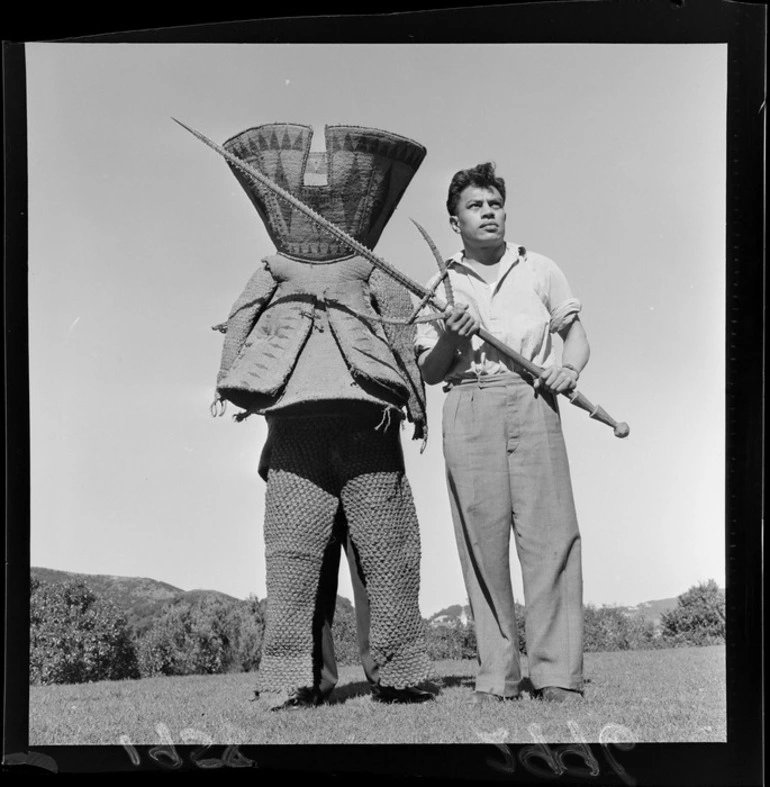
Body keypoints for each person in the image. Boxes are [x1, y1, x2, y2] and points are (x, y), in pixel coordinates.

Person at [211, 122, 436, 710]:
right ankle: (293, 677)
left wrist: (414, 398)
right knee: (292, 558)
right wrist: (230, 380)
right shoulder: (273, 266)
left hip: (368, 418)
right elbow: (240, 321)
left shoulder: (368, 265)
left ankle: (401, 670)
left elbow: (402, 326)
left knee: (386, 550)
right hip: (296, 428)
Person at [415, 162, 588, 704]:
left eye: (494, 204)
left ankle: (557, 674)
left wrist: (568, 370)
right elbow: (430, 369)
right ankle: (498, 676)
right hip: (468, 405)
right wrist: (451, 336)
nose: (487, 213)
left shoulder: (539, 269)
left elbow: (576, 337)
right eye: (475, 206)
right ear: (454, 221)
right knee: (482, 544)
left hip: (535, 398)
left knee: (550, 537)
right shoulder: (438, 284)